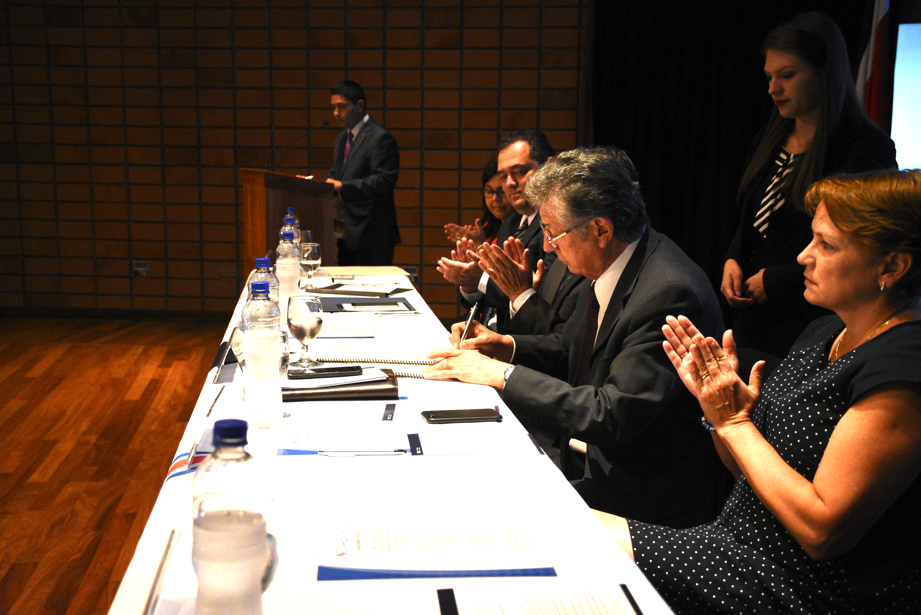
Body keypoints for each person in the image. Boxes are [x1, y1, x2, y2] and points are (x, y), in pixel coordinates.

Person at [600, 170, 921, 614]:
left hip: (804, 588)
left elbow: (822, 531)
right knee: (552, 530)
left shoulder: (905, 365)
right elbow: (749, 474)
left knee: (565, 539)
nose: (803, 257)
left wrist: (735, 424)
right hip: (733, 547)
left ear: (891, 266)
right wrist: (719, 412)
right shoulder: (826, 328)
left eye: (826, 245)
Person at [426, 147, 730, 527]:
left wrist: (500, 375)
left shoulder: (668, 292)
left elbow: (611, 413)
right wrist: (504, 346)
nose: (549, 246)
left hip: (641, 497)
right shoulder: (616, 259)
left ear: (601, 229)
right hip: (588, 461)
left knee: (474, 512)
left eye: (553, 232)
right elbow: (569, 349)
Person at [722, 13, 897, 361]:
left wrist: (776, 281)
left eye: (787, 75)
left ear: (824, 72)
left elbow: (862, 247)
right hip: (752, 321)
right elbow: (755, 215)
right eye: (770, 77)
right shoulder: (771, 136)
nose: (774, 88)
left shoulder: (865, 149)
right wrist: (732, 257)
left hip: (812, 325)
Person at [437, 129, 558, 333]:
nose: (510, 183)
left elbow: (544, 294)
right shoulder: (511, 222)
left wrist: (480, 278)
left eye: (520, 171)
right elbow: (489, 303)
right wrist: (470, 287)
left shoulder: (557, 224)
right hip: (492, 331)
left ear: (549, 167)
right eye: (504, 176)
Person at [326, 80, 400, 266]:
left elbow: (384, 180)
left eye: (341, 107)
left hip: (372, 233)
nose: (336, 113)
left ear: (360, 105)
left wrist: (342, 186)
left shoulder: (379, 137)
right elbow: (337, 175)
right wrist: (318, 186)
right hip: (346, 232)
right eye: (333, 107)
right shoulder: (342, 138)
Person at [444, 158, 512, 246]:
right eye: (490, 191)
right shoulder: (486, 228)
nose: (495, 198)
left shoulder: (523, 228)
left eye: (502, 192)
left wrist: (480, 245)